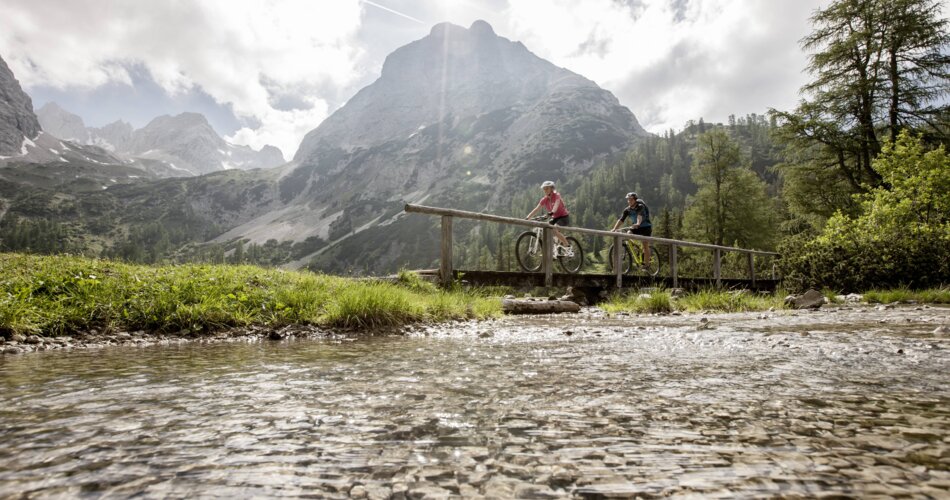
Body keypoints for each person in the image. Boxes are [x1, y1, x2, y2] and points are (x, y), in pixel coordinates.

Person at [525, 180, 571, 250]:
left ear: (552, 188)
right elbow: (536, 209)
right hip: (554, 217)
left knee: (554, 229)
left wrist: (552, 212)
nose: (545, 190)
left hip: (563, 217)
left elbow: (556, 204)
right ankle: (554, 248)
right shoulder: (544, 199)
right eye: (544, 189)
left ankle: (567, 246)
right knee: (546, 228)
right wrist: (528, 217)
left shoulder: (557, 195)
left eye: (547, 188)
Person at [610, 192, 652, 268]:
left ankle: (647, 264)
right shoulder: (627, 210)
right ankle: (636, 247)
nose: (629, 201)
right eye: (628, 200)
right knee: (628, 233)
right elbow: (621, 220)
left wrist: (638, 223)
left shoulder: (640, 206)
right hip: (636, 227)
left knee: (645, 245)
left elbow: (639, 216)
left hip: (646, 227)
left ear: (635, 200)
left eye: (631, 200)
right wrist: (614, 229)